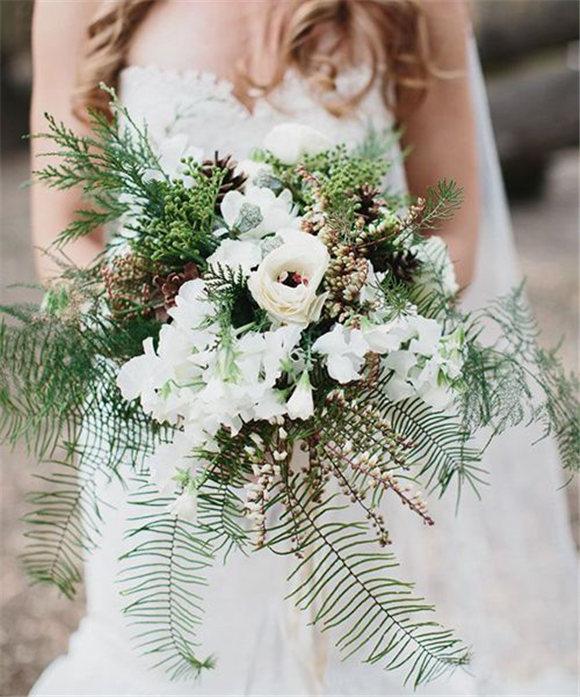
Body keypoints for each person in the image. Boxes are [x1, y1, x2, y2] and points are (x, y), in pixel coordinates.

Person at [29, 1, 577, 694]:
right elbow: (63, 235)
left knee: (339, 652)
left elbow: (455, 234)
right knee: (161, 656)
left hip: (339, 418)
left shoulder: (416, 7)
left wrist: (340, 328)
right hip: (154, 417)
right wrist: (175, 347)